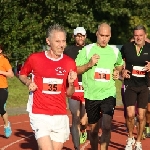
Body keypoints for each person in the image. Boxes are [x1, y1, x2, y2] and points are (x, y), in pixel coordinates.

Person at [19, 24, 78, 150]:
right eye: (57, 41)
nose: (61, 45)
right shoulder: (35, 58)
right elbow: (22, 74)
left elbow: (69, 93)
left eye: (63, 41)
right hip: (39, 114)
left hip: (59, 115)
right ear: (48, 41)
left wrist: (72, 83)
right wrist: (29, 83)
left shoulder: (69, 63)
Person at [75, 23, 124, 150]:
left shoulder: (115, 51)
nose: (104, 38)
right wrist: (89, 64)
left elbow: (119, 65)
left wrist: (117, 71)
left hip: (108, 93)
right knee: (94, 130)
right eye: (101, 35)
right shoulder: (87, 50)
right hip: (92, 95)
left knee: (107, 126)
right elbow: (75, 69)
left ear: (110, 36)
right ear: (97, 34)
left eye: (107, 36)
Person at [121, 25, 150, 150]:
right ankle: (130, 138)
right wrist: (122, 70)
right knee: (130, 114)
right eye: (136, 35)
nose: (138, 38)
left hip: (144, 85)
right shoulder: (127, 47)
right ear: (133, 36)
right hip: (130, 84)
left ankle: (138, 142)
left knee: (142, 116)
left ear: (145, 35)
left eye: (140, 35)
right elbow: (118, 63)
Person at [64, 27, 88, 150]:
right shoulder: (68, 50)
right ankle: (77, 147)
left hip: (87, 86)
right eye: (77, 36)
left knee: (84, 121)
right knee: (75, 117)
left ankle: (84, 129)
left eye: (82, 35)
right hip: (73, 86)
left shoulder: (90, 49)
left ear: (85, 36)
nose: (80, 38)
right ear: (74, 37)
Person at [0, 44, 14, 138]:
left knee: (0, 108)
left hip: (2, 88)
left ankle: (6, 125)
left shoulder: (4, 60)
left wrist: (1, 72)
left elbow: (11, 74)